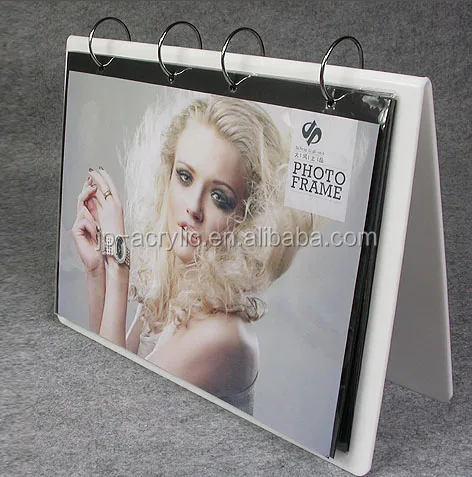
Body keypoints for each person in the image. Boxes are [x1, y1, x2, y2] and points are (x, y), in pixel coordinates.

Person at [72, 96, 315, 415]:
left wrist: (118, 262)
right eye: (185, 177)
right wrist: (96, 271)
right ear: (168, 176)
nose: (194, 208)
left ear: (247, 218)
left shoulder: (224, 337)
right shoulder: (173, 290)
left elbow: (111, 411)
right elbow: (103, 365)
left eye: (220, 197)